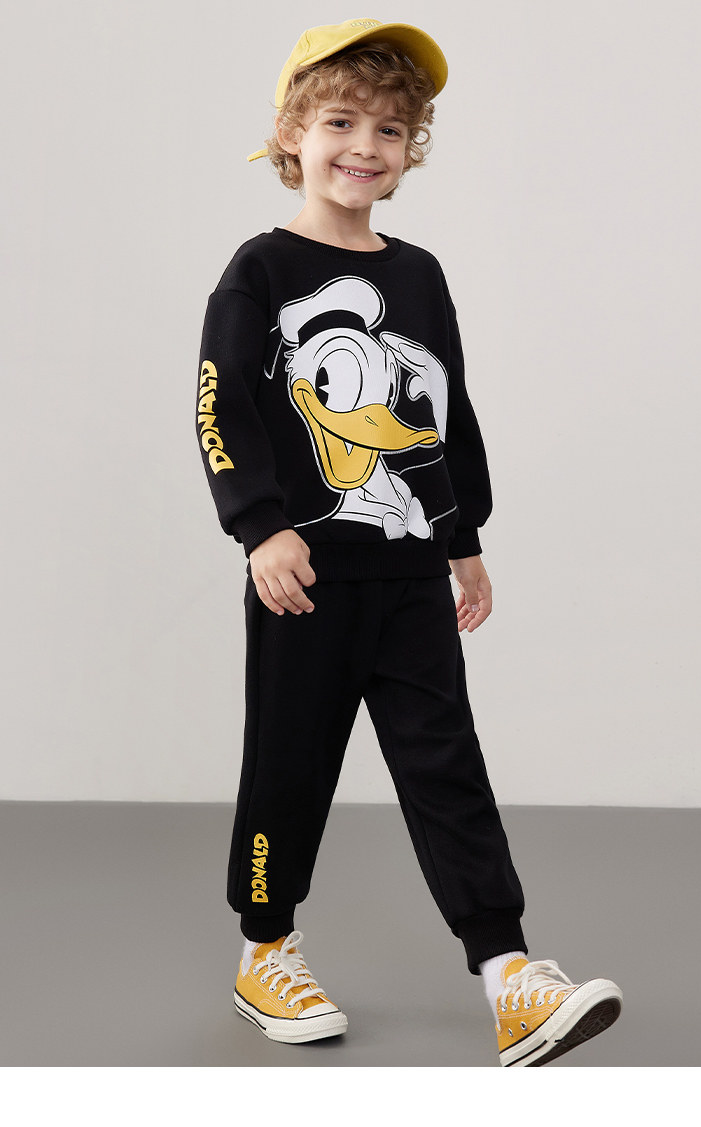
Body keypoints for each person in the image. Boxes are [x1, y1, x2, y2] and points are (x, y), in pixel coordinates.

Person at [195, 17, 623, 1066]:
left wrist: (462, 537)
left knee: (446, 763)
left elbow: (442, 417)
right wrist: (259, 527)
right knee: (289, 765)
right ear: (292, 134)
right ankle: (264, 947)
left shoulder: (421, 274)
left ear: (410, 149)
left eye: (390, 129)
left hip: (410, 575)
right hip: (304, 579)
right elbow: (220, 405)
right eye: (341, 122)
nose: (365, 146)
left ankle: (509, 973)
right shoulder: (260, 269)